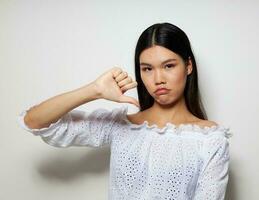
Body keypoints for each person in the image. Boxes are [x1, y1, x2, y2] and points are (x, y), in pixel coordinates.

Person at [17, 22, 233, 200]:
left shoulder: (210, 140)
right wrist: (94, 91)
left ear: (188, 66)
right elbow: (34, 121)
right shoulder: (121, 125)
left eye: (168, 66)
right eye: (147, 69)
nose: (158, 79)